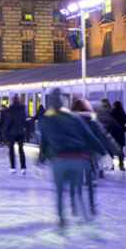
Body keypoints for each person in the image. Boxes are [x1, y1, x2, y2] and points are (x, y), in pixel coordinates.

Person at [39, 88, 106, 228]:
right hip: (78, 159)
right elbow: (89, 136)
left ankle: (62, 218)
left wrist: (41, 158)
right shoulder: (74, 117)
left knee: (59, 192)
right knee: (77, 190)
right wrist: (102, 151)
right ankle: (84, 216)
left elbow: (44, 141)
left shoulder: (46, 118)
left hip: (59, 160)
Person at [71, 98, 120, 217]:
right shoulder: (92, 120)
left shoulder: (69, 120)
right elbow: (102, 136)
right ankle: (91, 206)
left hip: (74, 153)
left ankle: (75, 206)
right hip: (89, 153)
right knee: (90, 179)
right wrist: (113, 150)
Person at [4, 95, 28, 174]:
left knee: (11, 150)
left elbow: (8, 121)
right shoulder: (22, 109)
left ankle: (12, 167)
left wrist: (5, 132)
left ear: (12, 101)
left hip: (12, 133)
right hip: (21, 132)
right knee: (21, 150)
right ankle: (23, 167)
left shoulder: (10, 110)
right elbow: (25, 121)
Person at [110, 101, 126, 171]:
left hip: (112, 134)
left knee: (111, 150)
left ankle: (111, 165)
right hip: (120, 134)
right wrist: (123, 130)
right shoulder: (123, 114)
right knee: (120, 151)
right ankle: (121, 165)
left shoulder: (111, 114)